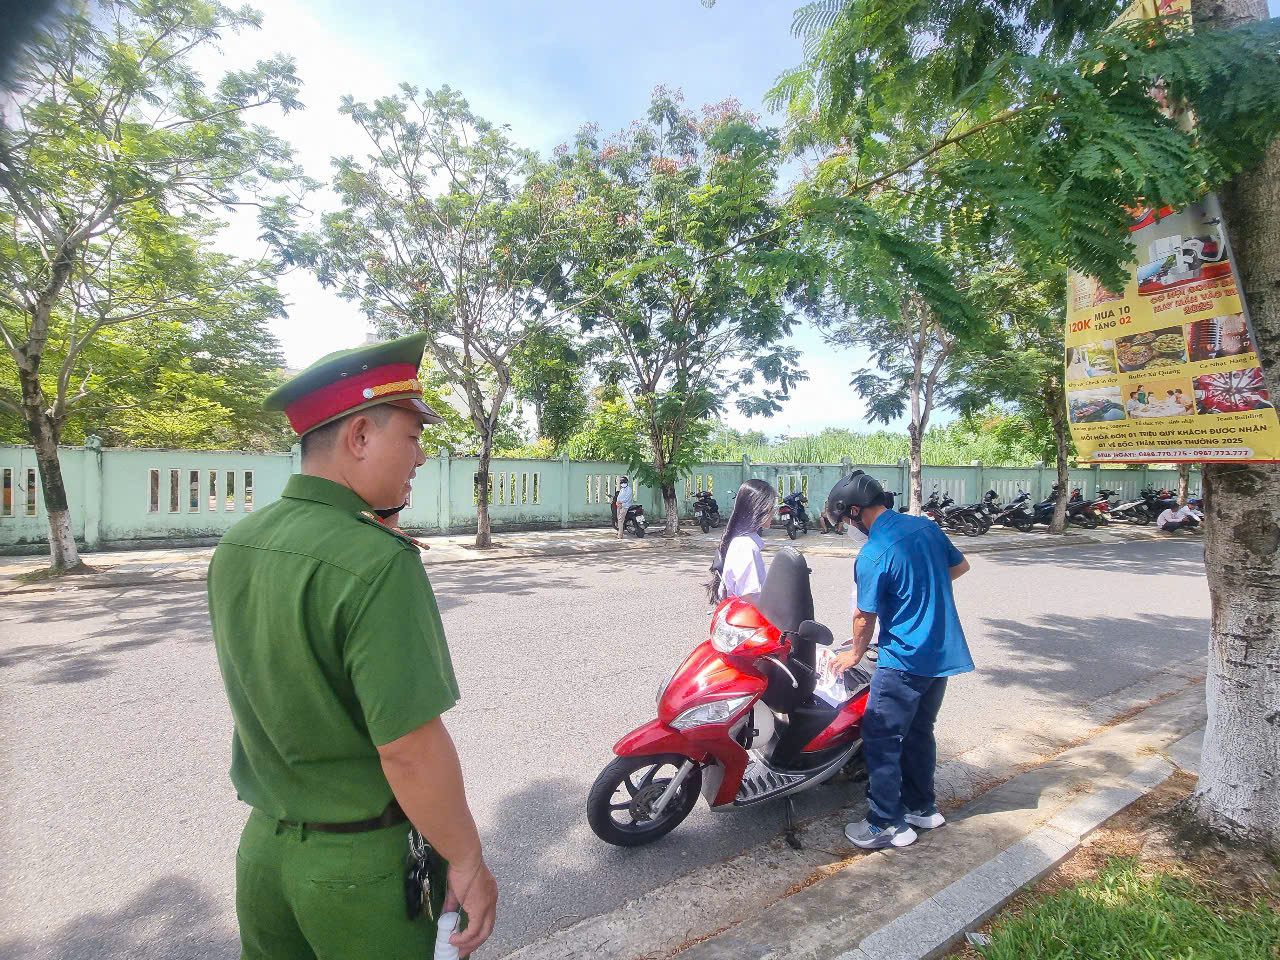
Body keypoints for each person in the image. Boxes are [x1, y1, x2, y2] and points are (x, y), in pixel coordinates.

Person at [207, 333, 498, 960]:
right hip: (360, 872)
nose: (420, 457)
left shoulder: (240, 542)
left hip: (264, 856)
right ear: (360, 437)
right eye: (413, 438)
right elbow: (410, 751)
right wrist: (467, 860)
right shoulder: (376, 561)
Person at [823, 470, 972, 850]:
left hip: (903, 658)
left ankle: (886, 822)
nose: (846, 528)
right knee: (921, 731)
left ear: (855, 511)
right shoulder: (926, 528)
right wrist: (919, 589)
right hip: (941, 653)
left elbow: (863, 615)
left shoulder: (874, 552)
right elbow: (959, 566)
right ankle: (922, 808)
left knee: (881, 736)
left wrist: (853, 654)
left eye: (844, 520)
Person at [707, 478, 778, 602]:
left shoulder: (742, 540)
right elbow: (749, 598)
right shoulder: (746, 546)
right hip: (748, 618)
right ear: (760, 509)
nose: (774, 512)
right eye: (772, 507)